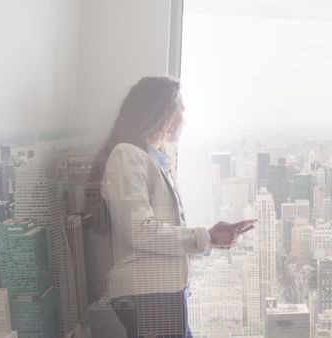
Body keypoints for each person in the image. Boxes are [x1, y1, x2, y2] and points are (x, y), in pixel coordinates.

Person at [87, 77, 255, 337]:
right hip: (149, 293)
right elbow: (140, 231)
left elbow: (156, 233)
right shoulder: (126, 155)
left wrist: (210, 239)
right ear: (161, 113)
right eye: (181, 108)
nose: (185, 117)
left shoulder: (150, 157)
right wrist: (205, 237)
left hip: (160, 291)